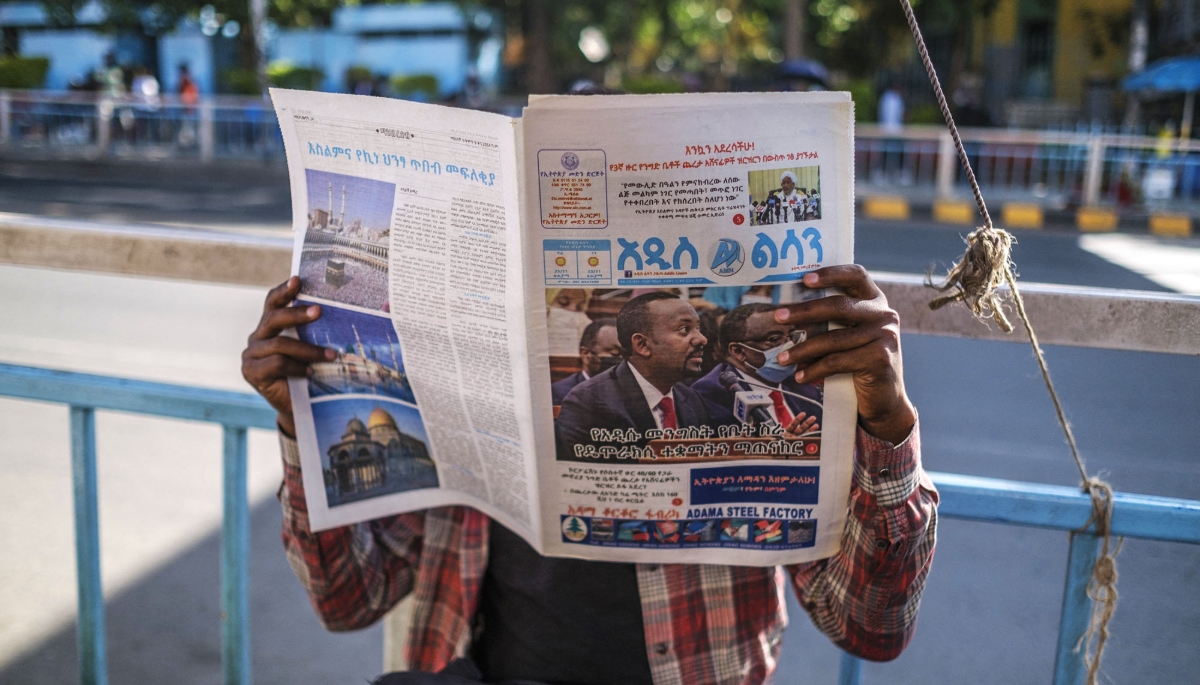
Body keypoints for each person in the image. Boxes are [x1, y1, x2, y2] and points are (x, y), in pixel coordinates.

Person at [241, 265, 937, 684]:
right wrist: (304, 425)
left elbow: (871, 625)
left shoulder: (728, 408)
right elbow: (347, 599)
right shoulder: (500, 393)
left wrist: (888, 426)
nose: (704, 343)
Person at [555, 292, 710, 461]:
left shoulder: (693, 400)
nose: (701, 339)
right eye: (684, 329)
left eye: (698, 329)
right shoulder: (587, 402)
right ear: (642, 345)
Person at [691, 303, 823, 437]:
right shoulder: (709, 393)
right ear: (738, 351)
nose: (789, 346)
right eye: (774, 339)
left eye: (791, 336)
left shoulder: (803, 390)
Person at [551, 317, 619, 404]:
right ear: (586, 354)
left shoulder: (634, 391)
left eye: (627, 353)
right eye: (615, 353)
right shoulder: (562, 393)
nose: (623, 359)